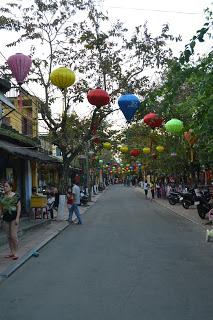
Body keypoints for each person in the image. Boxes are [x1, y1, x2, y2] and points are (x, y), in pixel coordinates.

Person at [0, 181, 21, 260]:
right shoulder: (2, 197)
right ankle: (11, 252)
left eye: (6, 186)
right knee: (8, 236)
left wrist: (17, 218)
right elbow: (1, 208)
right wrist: (1, 216)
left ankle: (16, 252)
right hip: (5, 218)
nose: (5, 188)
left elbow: (19, 207)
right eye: (4, 186)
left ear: (11, 187)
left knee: (13, 236)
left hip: (14, 217)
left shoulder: (16, 196)